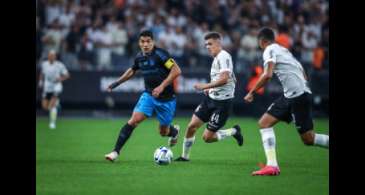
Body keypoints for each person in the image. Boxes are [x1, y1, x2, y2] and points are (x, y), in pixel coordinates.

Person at [244, 27, 329, 176]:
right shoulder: (283, 50)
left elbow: (267, 74)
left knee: (308, 139)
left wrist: (252, 92)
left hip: (298, 96)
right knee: (264, 123)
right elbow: (301, 70)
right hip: (291, 95)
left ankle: (272, 165)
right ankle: (272, 166)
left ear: (262, 41)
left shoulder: (269, 49)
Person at [104, 30, 182, 162]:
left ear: (153, 42)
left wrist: (162, 86)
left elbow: (176, 70)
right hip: (149, 95)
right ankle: (115, 152)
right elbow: (132, 71)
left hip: (167, 99)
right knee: (133, 121)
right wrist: (116, 83)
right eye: (142, 42)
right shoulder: (139, 57)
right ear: (139, 43)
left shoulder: (161, 55)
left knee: (163, 132)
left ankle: (173, 132)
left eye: (148, 41)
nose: (145, 44)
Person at [175, 32, 244, 162]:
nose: (207, 47)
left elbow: (224, 79)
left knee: (207, 138)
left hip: (222, 104)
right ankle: (185, 157)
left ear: (218, 43)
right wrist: (211, 89)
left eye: (210, 44)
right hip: (210, 100)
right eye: (206, 44)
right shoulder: (216, 58)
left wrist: (206, 86)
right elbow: (220, 79)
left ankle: (234, 131)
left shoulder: (224, 56)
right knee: (191, 126)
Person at [38, 50, 70, 129]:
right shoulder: (44, 64)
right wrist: (40, 81)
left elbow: (67, 75)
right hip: (47, 87)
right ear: (48, 56)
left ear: (55, 57)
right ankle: (57, 105)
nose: (51, 57)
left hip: (56, 86)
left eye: (53, 55)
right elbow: (42, 73)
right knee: (45, 106)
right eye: (50, 55)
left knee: (52, 105)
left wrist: (60, 79)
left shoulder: (59, 65)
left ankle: (52, 123)